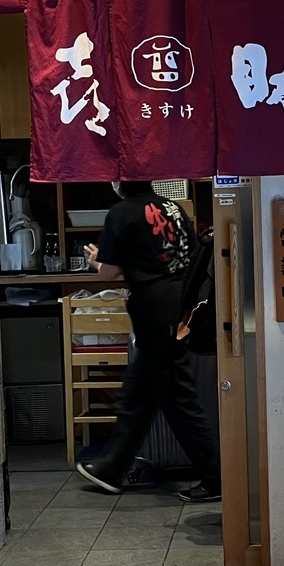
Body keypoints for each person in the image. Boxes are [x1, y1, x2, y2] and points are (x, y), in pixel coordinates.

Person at [76, 181, 222, 503]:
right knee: (140, 392)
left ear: (119, 181)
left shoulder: (122, 212)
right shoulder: (174, 208)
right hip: (181, 300)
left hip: (152, 308)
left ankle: (217, 477)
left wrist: (97, 260)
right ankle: (111, 468)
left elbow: (108, 273)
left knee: (177, 397)